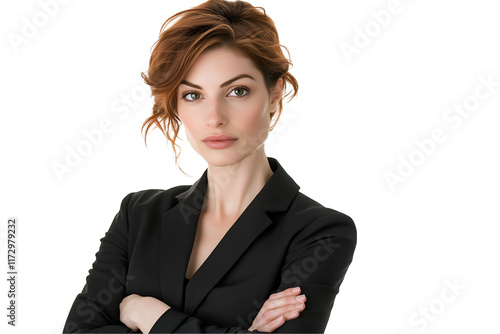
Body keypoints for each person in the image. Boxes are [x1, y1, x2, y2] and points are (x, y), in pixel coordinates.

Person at [63, 0, 357, 333]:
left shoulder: (321, 233)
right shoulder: (138, 216)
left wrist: (148, 314)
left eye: (237, 91)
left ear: (275, 95)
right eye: (193, 95)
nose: (214, 117)